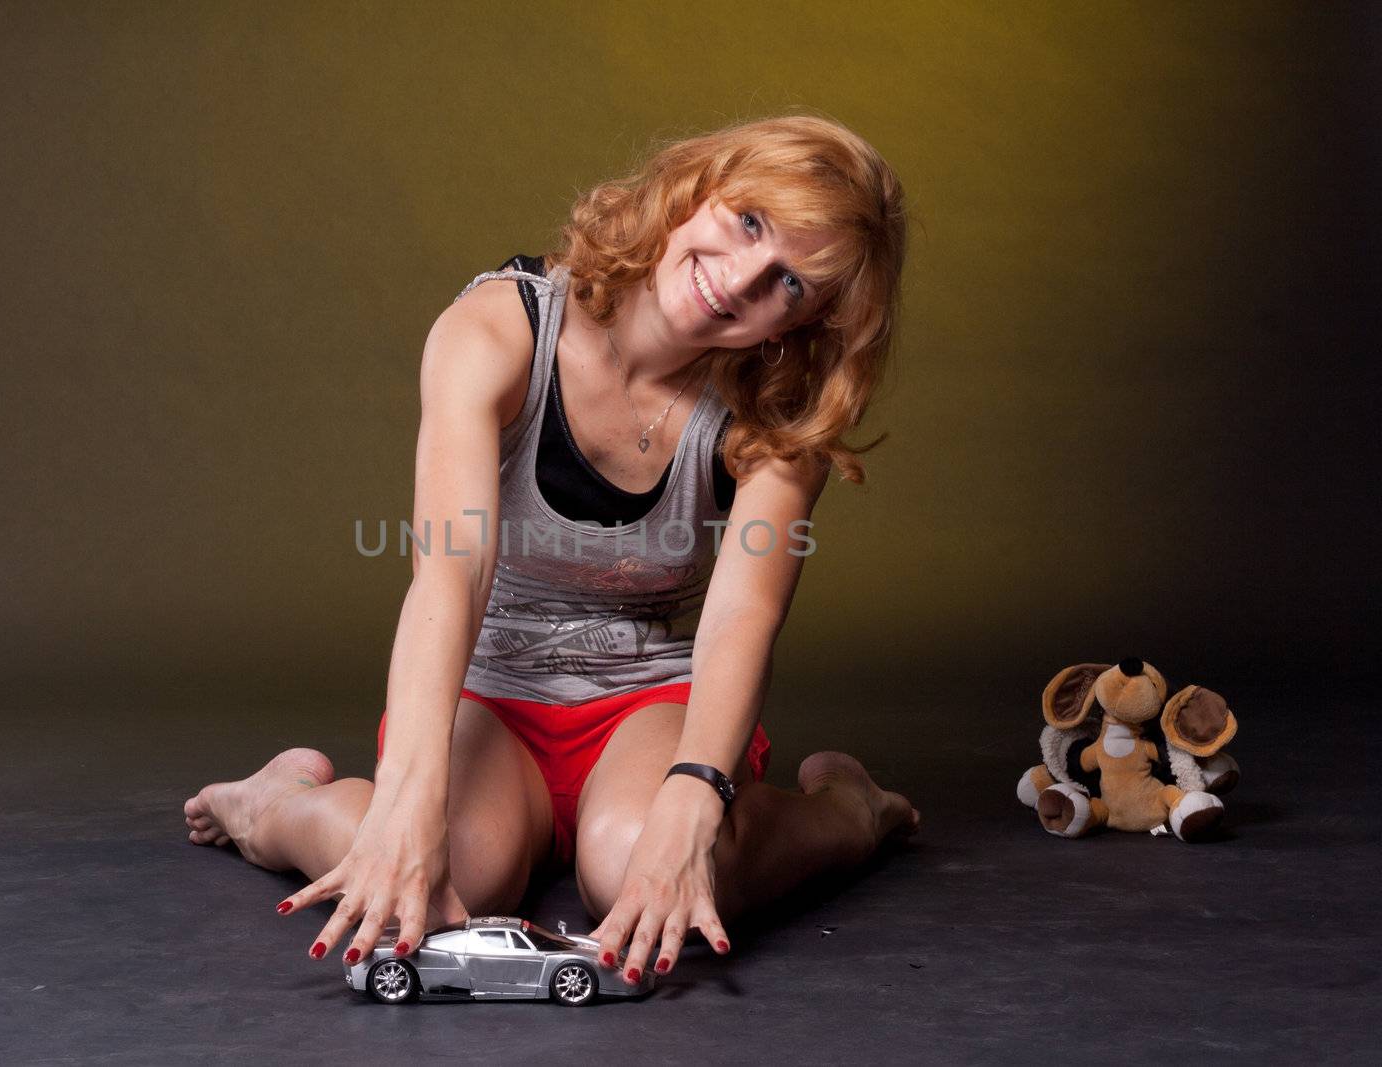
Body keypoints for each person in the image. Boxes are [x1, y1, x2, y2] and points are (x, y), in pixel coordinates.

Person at [183, 113, 918, 989]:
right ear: (696, 190)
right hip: (493, 685)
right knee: (448, 870)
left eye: (789, 283)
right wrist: (412, 796)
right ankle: (272, 806)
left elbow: (742, 614)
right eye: (749, 223)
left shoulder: (775, 413)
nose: (741, 279)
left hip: (646, 695)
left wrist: (694, 799)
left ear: (805, 322)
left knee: (642, 869)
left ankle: (848, 811)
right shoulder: (498, 328)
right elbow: (452, 568)